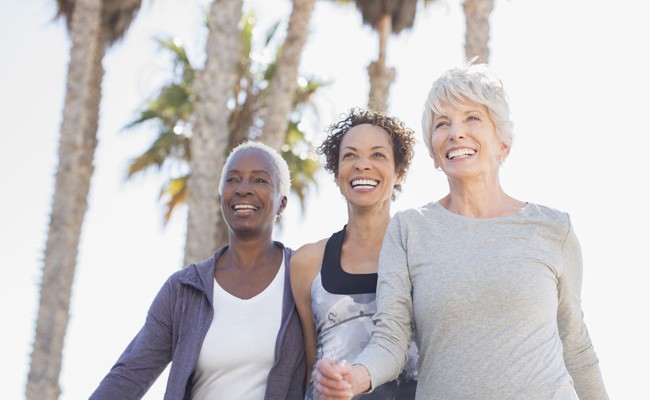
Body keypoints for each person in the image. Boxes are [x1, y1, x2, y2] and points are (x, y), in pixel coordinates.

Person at [312, 63, 609, 400]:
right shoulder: (410, 231)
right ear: (435, 154)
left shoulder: (554, 230)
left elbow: (576, 348)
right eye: (442, 123)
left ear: (503, 142)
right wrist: (355, 377)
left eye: (472, 118)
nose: (455, 132)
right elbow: (390, 341)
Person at [90, 141, 306, 400]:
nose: (243, 189)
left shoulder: (303, 277)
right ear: (221, 196)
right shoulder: (184, 289)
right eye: (233, 180)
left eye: (259, 180)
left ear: (281, 203)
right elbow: (129, 376)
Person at [291, 108, 419, 400]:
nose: (363, 165)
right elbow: (312, 369)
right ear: (337, 174)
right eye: (350, 155)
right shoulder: (306, 263)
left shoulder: (422, 252)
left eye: (377, 155)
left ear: (399, 172)